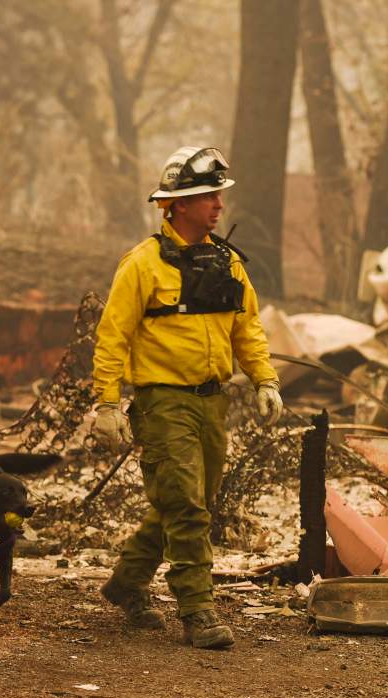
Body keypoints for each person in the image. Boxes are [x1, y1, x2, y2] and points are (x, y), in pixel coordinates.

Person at [90, 145, 283, 649]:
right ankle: (197, 609)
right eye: (206, 196)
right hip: (162, 402)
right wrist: (107, 403)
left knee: (189, 502)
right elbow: (113, 335)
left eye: (218, 195)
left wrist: (265, 380)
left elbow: (249, 328)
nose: (218, 205)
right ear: (175, 205)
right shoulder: (143, 264)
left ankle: (128, 583)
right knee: (186, 507)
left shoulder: (229, 264)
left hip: (211, 401)